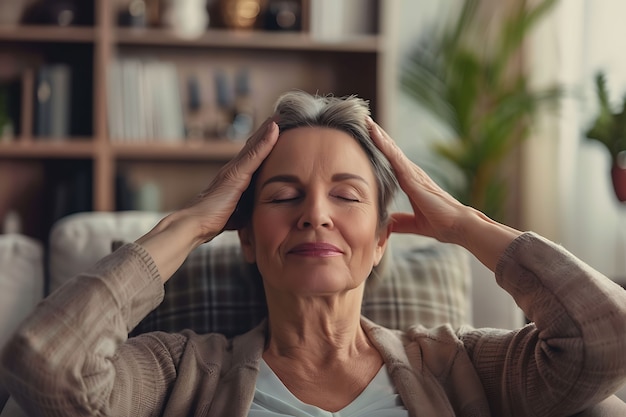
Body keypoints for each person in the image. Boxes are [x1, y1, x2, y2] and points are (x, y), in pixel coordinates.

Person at [1, 91, 626, 417]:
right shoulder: (180, 373)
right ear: (245, 235)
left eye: (347, 196)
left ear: (382, 239)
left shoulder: (454, 363)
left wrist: (464, 223)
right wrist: (191, 223)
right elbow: (46, 366)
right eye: (285, 194)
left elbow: (606, 340)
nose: (316, 214)